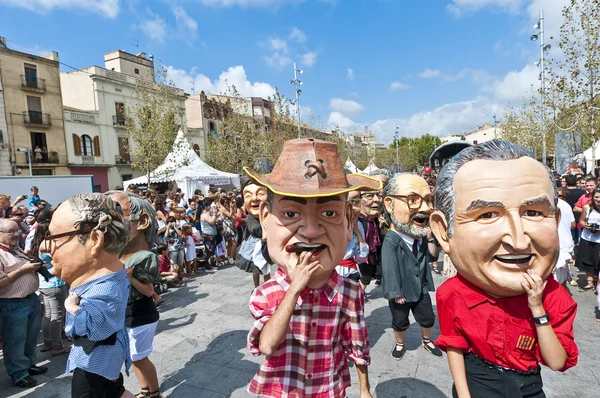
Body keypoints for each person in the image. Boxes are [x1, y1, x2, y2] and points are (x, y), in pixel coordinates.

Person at [430, 140, 578, 398]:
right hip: (480, 382)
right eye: (487, 215)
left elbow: (557, 362)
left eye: (532, 212)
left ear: (555, 221)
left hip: (528, 386)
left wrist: (538, 309)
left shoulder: (554, 296)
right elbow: (454, 346)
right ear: (444, 232)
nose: (519, 240)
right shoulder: (452, 293)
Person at [245, 138, 381, 397]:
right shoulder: (267, 294)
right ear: (265, 219)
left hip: (330, 389)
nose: (310, 231)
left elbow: (357, 343)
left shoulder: (350, 293)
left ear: (350, 221)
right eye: (291, 214)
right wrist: (294, 289)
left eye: (329, 214)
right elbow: (267, 345)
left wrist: (365, 389)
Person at [40, 193, 134, 398]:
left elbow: (95, 330)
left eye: (52, 238)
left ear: (95, 240)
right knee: (115, 390)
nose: (44, 247)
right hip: (105, 359)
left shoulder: (102, 290)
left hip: (94, 363)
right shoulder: (112, 277)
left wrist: (72, 307)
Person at [381, 173, 443, 361]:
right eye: (413, 200)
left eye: (428, 200)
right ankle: (400, 344)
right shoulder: (391, 240)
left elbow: (432, 255)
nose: (425, 207)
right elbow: (389, 268)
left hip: (420, 287)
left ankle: (427, 340)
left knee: (427, 317)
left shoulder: (419, 235)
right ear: (390, 204)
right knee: (400, 321)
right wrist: (395, 292)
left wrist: (431, 236)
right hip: (401, 291)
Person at [107, 191, 162, 398]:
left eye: (117, 215)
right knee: (132, 356)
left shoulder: (145, 257)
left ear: (143, 222)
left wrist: (129, 278)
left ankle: (154, 393)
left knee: (139, 357)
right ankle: (145, 390)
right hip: (127, 314)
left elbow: (149, 291)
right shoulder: (119, 255)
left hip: (141, 314)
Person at [0, 218, 47, 388]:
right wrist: (24, 270)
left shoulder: (15, 248)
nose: (17, 234)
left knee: (31, 337)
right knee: (15, 340)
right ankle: (19, 374)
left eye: (17, 231)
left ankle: (28, 365)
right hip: (12, 303)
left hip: (30, 299)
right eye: (11, 232)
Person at [236, 177, 272, 288]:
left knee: (265, 269)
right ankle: (257, 287)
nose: (254, 199)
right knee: (256, 269)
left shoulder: (270, 215)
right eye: (248, 195)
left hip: (264, 245)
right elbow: (255, 230)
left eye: (260, 193)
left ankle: (267, 286)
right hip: (255, 245)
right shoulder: (250, 218)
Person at [335, 189, 369, 283]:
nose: (354, 208)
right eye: (351, 202)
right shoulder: (331, 224)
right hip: (332, 272)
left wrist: (357, 232)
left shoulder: (359, 225)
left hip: (350, 272)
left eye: (357, 202)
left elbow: (362, 256)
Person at [576, 187, 600, 292]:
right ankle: (589, 281)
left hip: (599, 240)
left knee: (598, 261)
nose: (598, 199)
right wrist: (586, 226)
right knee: (587, 260)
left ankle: (597, 281)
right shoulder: (587, 207)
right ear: (592, 197)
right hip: (587, 237)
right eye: (596, 197)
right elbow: (581, 220)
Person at [556, 188, 575, 287]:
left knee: (558, 281)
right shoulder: (566, 205)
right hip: (565, 245)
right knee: (561, 280)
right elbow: (573, 225)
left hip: (559, 246)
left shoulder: (552, 204)